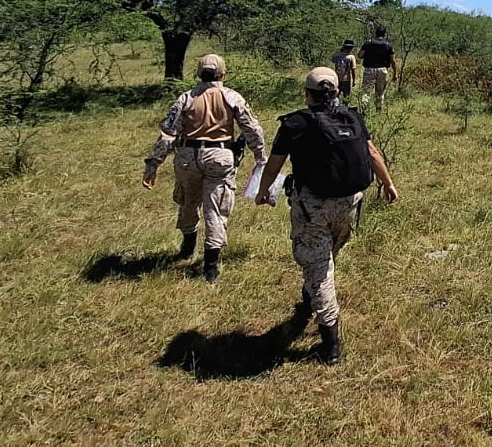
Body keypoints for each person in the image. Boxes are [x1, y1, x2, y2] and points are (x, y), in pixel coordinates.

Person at [254, 67, 398, 365]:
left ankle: (330, 343)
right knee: (328, 255)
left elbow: (274, 164)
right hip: (350, 202)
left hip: (313, 206)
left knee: (320, 269)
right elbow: (371, 153)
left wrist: (262, 191)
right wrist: (388, 182)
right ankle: (310, 295)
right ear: (336, 91)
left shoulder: (296, 123)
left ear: (307, 94)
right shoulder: (352, 116)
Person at [142, 53, 266, 283]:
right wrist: (261, 158)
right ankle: (210, 266)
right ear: (222, 74)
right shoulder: (231, 97)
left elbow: (168, 134)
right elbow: (252, 129)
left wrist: (153, 164)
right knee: (216, 208)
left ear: (199, 73)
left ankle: (188, 245)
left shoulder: (186, 98)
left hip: (188, 156)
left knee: (189, 201)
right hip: (219, 156)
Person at [359, 25, 396, 109]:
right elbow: (393, 61)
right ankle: (378, 109)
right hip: (382, 70)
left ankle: (364, 110)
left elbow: (360, 55)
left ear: (375, 33)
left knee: (366, 91)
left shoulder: (368, 43)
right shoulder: (388, 45)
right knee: (380, 91)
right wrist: (395, 73)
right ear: (384, 34)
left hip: (369, 69)